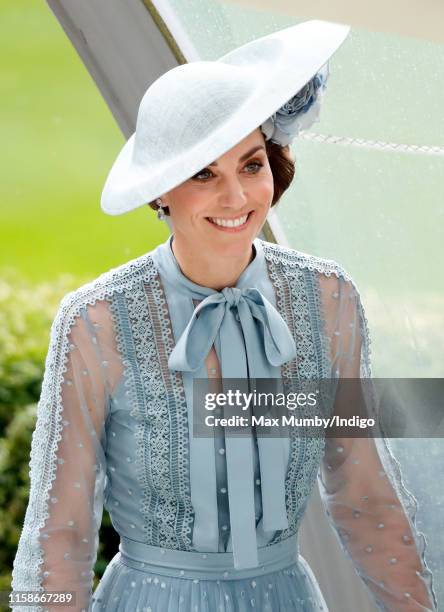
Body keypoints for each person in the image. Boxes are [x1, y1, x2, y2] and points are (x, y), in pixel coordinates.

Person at [11, 20, 437, 612]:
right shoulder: (97, 322)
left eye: (251, 164)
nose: (236, 197)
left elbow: (364, 493)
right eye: (203, 173)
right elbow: (61, 531)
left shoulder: (328, 299)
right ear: (162, 191)